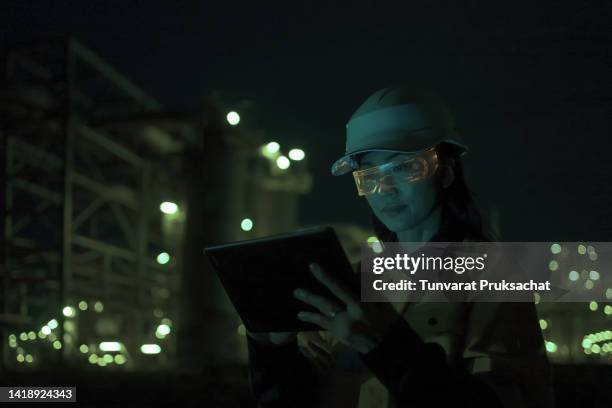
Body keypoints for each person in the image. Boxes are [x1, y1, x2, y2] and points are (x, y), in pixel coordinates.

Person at [245, 87, 555, 408]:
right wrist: (273, 350)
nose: (386, 189)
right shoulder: (351, 283)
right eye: (370, 176)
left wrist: (386, 347)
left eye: (404, 167)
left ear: (445, 172)